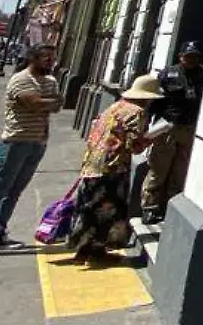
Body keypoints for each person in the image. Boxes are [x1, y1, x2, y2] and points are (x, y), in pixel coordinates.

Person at [0, 43, 61, 258]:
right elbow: (34, 103)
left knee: (14, 191)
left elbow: (57, 104)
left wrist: (47, 102)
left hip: (38, 141)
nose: (50, 61)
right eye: (45, 57)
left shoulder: (50, 81)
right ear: (33, 58)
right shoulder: (20, 79)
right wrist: (47, 102)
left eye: (52, 57)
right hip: (15, 142)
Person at [61, 74, 160, 262]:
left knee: (88, 206)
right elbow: (133, 145)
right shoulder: (136, 112)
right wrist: (149, 139)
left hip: (92, 163)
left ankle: (82, 247)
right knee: (108, 209)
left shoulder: (114, 106)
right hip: (112, 167)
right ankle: (98, 248)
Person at [141, 41, 203, 225]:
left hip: (189, 127)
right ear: (181, 57)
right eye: (188, 56)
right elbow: (155, 102)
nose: (192, 60)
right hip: (167, 127)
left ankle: (171, 204)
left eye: (195, 57)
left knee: (180, 169)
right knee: (159, 169)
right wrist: (147, 125)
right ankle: (149, 207)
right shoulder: (169, 74)